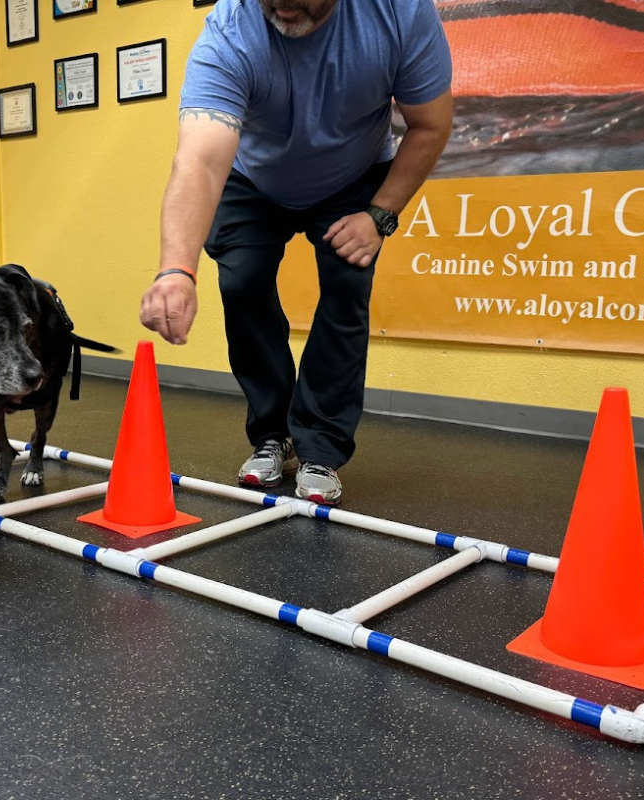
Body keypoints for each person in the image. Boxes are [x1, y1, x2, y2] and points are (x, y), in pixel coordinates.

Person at [139, 0, 453, 505]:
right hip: (253, 175)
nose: (282, 4)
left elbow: (431, 125)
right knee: (241, 282)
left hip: (353, 175)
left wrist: (379, 216)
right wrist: (176, 270)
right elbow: (198, 160)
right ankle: (272, 434)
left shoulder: (398, 13)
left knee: (346, 290)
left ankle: (320, 448)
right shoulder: (230, 31)